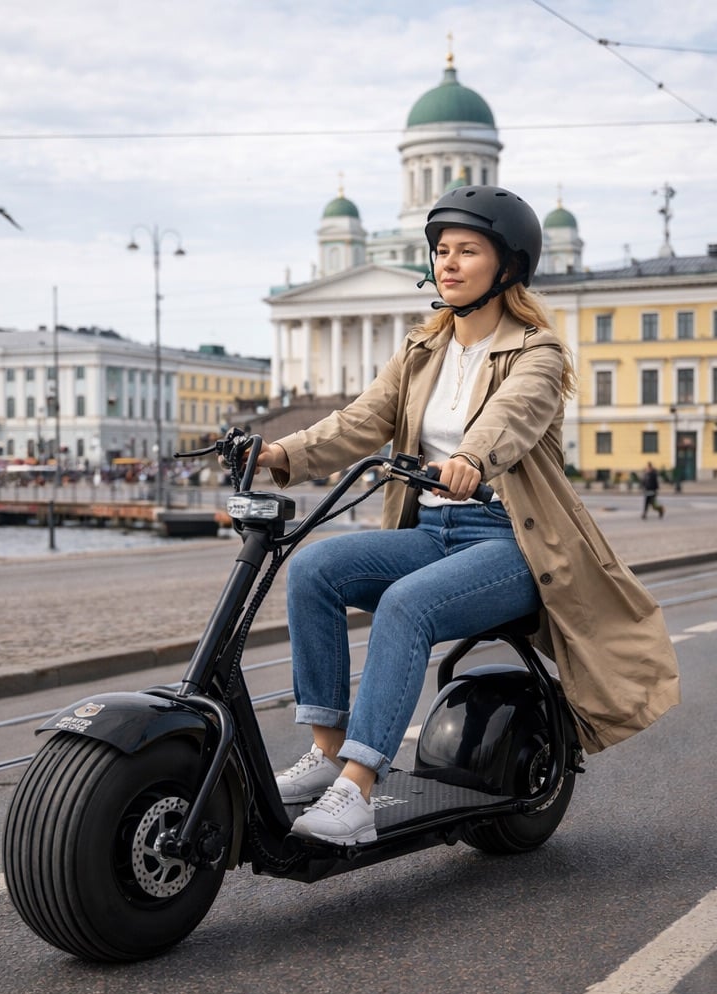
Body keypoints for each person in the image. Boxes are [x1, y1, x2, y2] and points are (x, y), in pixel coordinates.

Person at [255, 186, 680, 846]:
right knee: (313, 569)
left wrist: (474, 458)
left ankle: (358, 792)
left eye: (467, 251)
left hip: (513, 543)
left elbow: (514, 415)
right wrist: (281, 451)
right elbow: (362, 420)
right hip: (431, 532)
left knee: (405, 605)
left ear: (507, 266)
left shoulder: (538, 351)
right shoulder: (422, 351)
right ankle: (326, 753)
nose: (447, 264)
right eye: (441, 251)